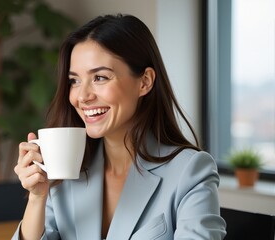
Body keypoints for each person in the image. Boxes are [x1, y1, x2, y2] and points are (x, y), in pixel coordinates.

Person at [12, 14, 226, 240]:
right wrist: (37, 198)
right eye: (74, 81)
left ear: (145, 82)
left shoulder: (190, 171)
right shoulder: (66, 174)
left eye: (100, 77)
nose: (82, 96)